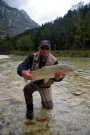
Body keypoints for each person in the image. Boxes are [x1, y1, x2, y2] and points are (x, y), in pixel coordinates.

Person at [17, 40, 66, 120]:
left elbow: (56, 79)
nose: (45, 50)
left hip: (46, 86)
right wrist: (23, 72)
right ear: (39, 49)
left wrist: (58, 78)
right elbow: (21, 67)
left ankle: (44, 102)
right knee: (26, 88)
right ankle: (29, 109)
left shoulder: (54, 61)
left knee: (48, 107)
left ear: (50, 50)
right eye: (42, 48)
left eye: (47, 48)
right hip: (35, 83)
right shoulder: (32, 57)